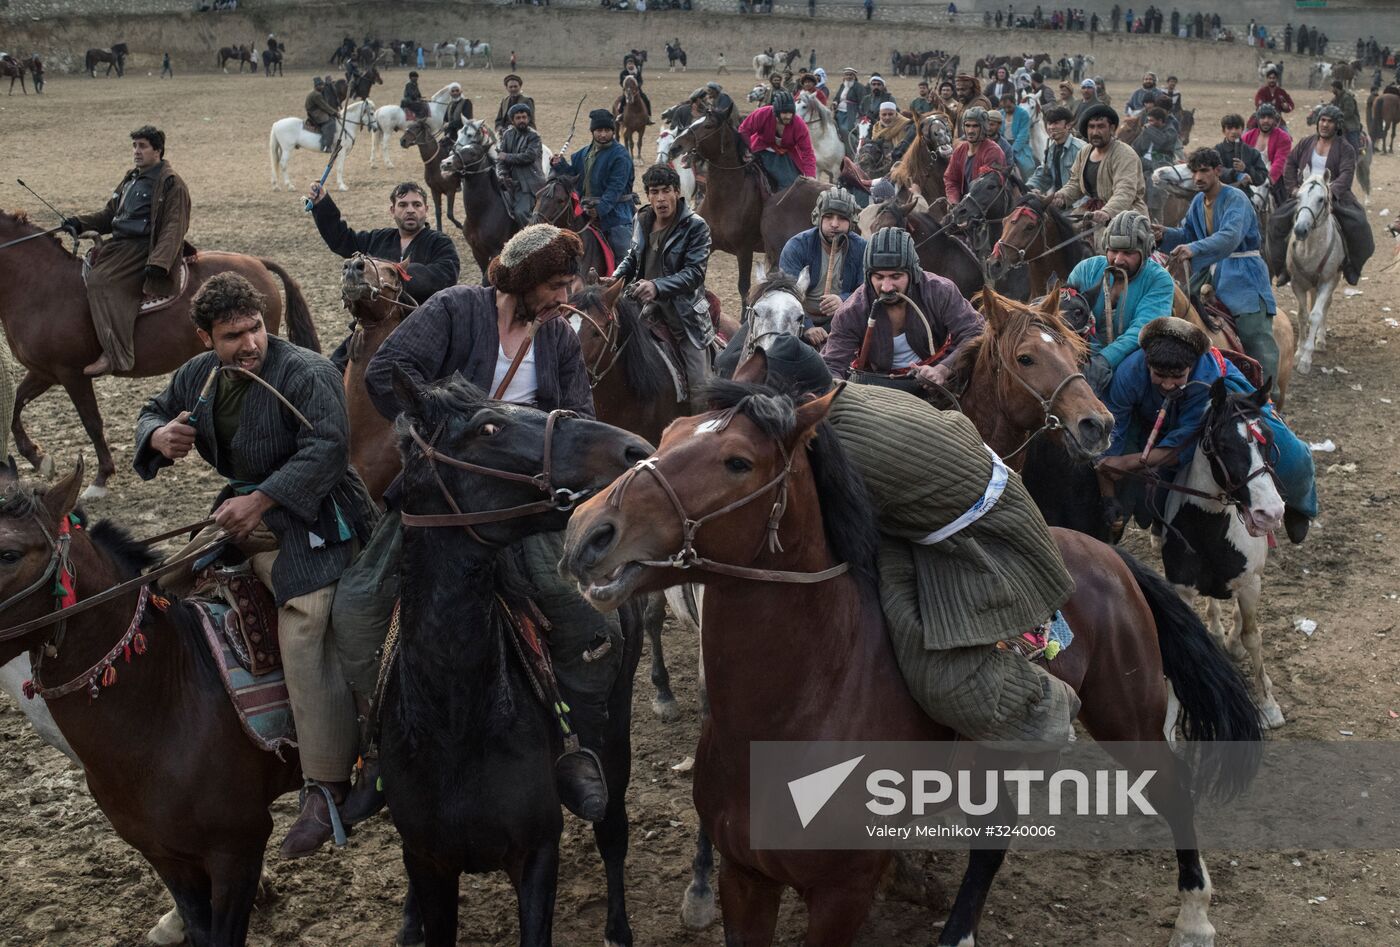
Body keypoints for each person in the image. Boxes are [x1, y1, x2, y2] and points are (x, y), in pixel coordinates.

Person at [352, 224, 614, 821]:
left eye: (568, 285)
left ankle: (572, 746)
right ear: (523, 280)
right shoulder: (454, 310)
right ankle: (374, 751)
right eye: (555, 285)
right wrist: (441, 431)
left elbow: (577, 416)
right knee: (357, 607)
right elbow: (386, 372)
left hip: (524, 495)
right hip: (445, 491)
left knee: (586, 619)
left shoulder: (558, 338)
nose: (565, 297)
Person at [731, 333, 1081, 749]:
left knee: (939, 674)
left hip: (983, 535)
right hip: (923, 516)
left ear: (807, 401)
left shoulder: (846, 443)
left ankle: (1046, 707)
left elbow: (849, 535)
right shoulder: (843, 400)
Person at [135, 272, 377, 857]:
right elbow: (152, 409)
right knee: (161, 589)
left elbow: (328, 450)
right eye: (232, 335)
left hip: (319, 518)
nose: (249, 344)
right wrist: (157, 434)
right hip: (240, 515)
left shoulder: (307, 372)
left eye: (256, 328)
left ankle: (325, 784)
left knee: (307, 621)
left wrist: (263, 499)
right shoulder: (199, 375)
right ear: (205, 338)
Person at [1097, 316, 1315, 542]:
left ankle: (1298, 505)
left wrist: (1126, 463)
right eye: (1159, 375)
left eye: (1177, 376)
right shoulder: (1129, 372)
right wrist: (1108, 495)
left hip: (1210, 402)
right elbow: (1112, 431)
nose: (1168, 385)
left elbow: (1181, 445)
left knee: (1287, 452)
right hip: (1149, 415)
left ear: (1192, 366)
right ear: (1146, 363)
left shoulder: (1207, 377)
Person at [60, 126, 191, 377]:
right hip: (118, 246)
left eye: (142, 146)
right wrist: (79, 223)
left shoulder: (172, 183)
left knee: (101, 281)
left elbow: (174, 226)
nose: (136, 151)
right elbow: (110, 215)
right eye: (134, 146)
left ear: (158, 150)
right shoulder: (131, 178)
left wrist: (159, 262)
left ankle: (115, 353)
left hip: (142, 249)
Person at [1156, 148, 1279, 394]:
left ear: (1218, 171)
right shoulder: (1198, 202)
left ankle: (1267, 396)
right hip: (1207, 273)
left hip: (1243, 274)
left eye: (1204, 171)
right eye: (1194, 172)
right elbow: (1188, 234)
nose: (1198, 177)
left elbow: (1230, 236)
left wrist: (1193, 248)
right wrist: (1163, 235)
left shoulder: (1236, 199)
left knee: (1254, 333)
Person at [821, 227, 983, 389]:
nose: (886, 287)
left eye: (895, 276)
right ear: (868, 277)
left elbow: (975, 331)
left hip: (937, 382)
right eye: (879, 277)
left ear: (912, 274)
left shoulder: (940, 291)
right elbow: (833, 364)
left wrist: (943, 370)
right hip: (877, 388)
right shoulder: (852, 311)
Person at [608, 164, 713, 412]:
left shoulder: (696, 226)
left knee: (700, 389)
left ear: (677, 191)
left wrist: (657, 286)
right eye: (654, 192)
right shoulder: (642, 219)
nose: (661, 198)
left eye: (666, 190)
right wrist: (614, 279)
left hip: (683, 314)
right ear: (648, 195)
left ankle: (701, 427)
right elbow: (633, 257)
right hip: (640, 304)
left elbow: (694, 273)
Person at [1063, 210, 1175, 393]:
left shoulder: (1159, 280)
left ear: (1146, 252)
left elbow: (1143, 329)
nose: (1118, 260)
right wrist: (1091, 358)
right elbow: (1068, 318)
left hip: (1130, 366)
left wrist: (1105, 360)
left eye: (1128, 253)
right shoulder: (1086, 269)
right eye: (1113, 251)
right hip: (1083, 357)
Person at [1268, 105, 1373, 286]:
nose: (1325, 124)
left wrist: (1330, 192)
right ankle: (1283, 269)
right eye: (1322, 120)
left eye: (1330, 121)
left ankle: (1351, 266)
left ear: (1337, 125)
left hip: (1333, 197)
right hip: (1305, 196)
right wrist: (1293, 189)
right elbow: (1290, 164)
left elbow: (1346, 174)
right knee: (1276, 222)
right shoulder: (1306, 143)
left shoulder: (1346, 148)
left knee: (1360, 225)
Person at [778, 187, 868, 342]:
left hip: (843, 320)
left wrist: (843, 300)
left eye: (842, 218)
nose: (834, 224)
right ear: (817, 218)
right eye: (828, 217)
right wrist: (806, 326)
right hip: (798, 319)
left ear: (852, 221)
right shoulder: (797, 246)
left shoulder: (862, 248)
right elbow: (787, 294)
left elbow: (867, 290)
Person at [552, 110, 636, 263]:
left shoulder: (621, 156)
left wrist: (599, 210)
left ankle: (627, 278)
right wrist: (560, 165)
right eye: (599, 130)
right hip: (585, 211)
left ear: (613, 131)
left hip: (616, 214)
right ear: (592, 131)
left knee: (624, 253)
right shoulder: (582, 154)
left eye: (607, 130)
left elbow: (616, 188)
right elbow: (574, 177)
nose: (603, 135)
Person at [1050, 104, 1149, 224]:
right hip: (1091, 211)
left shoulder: (1125, 154)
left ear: (1112, 128)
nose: (1095, 132)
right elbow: (1075, 183)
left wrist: (1107, 211)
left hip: (1125, 217)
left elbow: (1125, 191)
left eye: (1101, 126)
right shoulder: (1085, 152)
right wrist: (1061, 196)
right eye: (1091, 127)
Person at [737, 91, 816, 191]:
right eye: (784, 113)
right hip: (759, 150)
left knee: (790, 185)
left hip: (784, 156)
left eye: (790, 113)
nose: (788, 116)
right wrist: (746, 149)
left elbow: (807, 152)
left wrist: (810, 175)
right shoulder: (762, 113)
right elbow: (744, 130)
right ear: (776, 113)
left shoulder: (799, 125)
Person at [943, 108, 1006, 205]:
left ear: (983, 127)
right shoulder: (959, 150)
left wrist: (966, 207)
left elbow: (987, 188)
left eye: (975, 126)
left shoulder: (993, 152)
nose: (970, 131)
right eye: (967, 125)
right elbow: (951, 179)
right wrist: (954, 202)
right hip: (963, 205)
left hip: (984, 206)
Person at [497, 104, 544, 228]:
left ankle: (532, 236)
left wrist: (507, 157)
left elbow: (529, 157)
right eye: (518, 118)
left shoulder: (534, 136)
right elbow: (500, 159)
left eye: (524, 117)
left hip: (529, 183)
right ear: (512, 120)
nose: (522, 120)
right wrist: (501, 173)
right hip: (511, 181)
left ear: (528, 118)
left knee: (521, 212)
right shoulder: (507, 134)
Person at [1026, 106, 1085, 194]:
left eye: (1056, 123)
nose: (1051, 127)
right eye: (1049, 123)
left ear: (1068, 125)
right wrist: (1028, 187)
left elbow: (1083, 184)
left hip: (1076, 200)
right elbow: (1044, 175)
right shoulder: (1050, 149)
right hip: (1058, 198)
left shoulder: (1079, 148)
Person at [1243, 104, 1293, 201]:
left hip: (1273, 180)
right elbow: (1243, 159)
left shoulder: (1283, 137)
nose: (1266, 120)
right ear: (1258, 119)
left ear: (1274, 120)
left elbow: (1280, 162)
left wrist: (1268, 179)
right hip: (1249, 177)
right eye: (1263, 117)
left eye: (1270, 117)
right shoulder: (1247, 137)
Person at [1215, 115, 1268, 190]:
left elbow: (1262, 176)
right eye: (1229, 128)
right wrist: (1235, 174)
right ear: (1223, 131)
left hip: (1245, 194)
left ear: (1242, 129)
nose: (1233, 131)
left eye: (1237, 128)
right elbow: (1213, 171)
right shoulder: (1217, 151)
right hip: (1220, 192)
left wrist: (1246, 168)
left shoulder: (1252, 152)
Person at [999, 91, 1035, 180]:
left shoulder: (1023, 114)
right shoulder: (1000, 114)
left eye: (1009, 107)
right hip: (1002, 144)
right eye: (1004, 107)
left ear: (1014, 103)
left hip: (1020, 146)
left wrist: (1012, 150)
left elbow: (1023, 135)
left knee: (1027, 167)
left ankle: (1029, 185)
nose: (1007, 109)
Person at [871, 100, 917, 165]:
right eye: (884, 114)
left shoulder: (907, 125)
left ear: (896, 114)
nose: (887, 117)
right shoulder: (876, 128)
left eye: (890, 114)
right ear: (879, 115)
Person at [833, 67, 867, 143]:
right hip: (840, 111)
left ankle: (851, 144)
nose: (848, 77)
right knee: (837, 129)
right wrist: (835, 102)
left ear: (854, 76)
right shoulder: (842, 86)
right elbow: (837, 97)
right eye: (847, 75)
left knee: (847, 129)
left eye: (850, 75)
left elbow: (862, 101)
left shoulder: (859, 87)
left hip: (851, 112)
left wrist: (860, 113)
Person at [305, 77, 338, 153]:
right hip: (315, 112)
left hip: (315, 109)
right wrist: (335, 112)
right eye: (321, 85)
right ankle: (325, 145)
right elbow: (324, 106)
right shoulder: (317, 95)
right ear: (316, 86)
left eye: (323, 85)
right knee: (330, 122)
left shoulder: (315, 92)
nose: (322, 87)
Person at [1331, 79, 1363, 151]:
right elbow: (1331, 107)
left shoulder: (1347, 98)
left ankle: (1354, 156)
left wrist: (1339, 117)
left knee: (1353, 145)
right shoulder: (1336, 98)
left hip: (1351, 124)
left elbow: (1349, 112)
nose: (1332, 90)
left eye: (1333, 88)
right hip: (1340, 124)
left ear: (1336, 88)